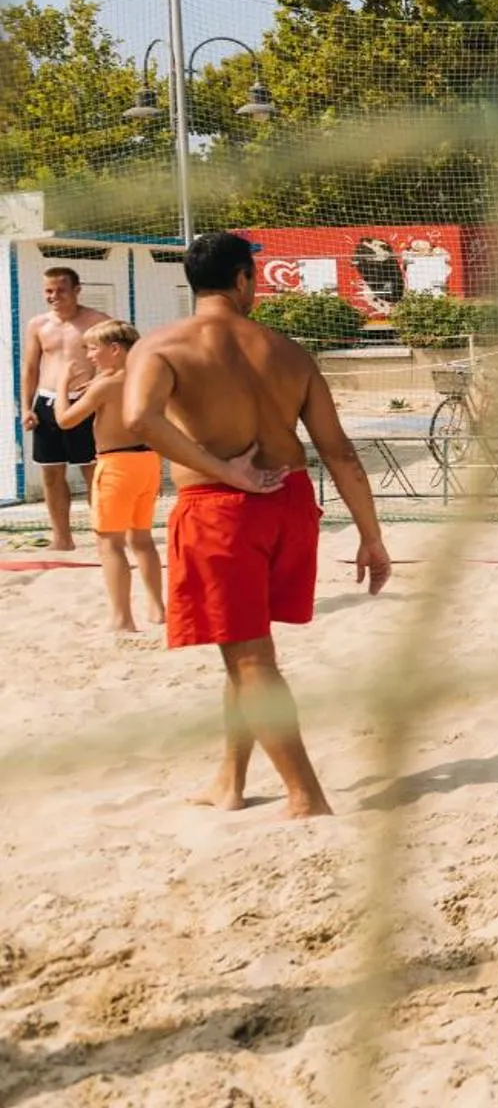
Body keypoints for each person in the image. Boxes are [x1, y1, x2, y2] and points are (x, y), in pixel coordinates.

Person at [124, 231, 393, 819]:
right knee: (242, 651)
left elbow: (139, 418)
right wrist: (372, 537)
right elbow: (340, 453)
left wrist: (224, 469)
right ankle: (231, 779)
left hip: (222, 508)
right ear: (244, 279)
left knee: (250, 660)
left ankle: (306, 796)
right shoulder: (289, 352)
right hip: (292, 505)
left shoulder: (162, 345)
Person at [53, 321, 164, 634]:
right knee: (142, 540)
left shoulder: (105, 385)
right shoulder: (146, 377)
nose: (88, 355)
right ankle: (158, 609)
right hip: (148, 462)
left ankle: (122, 618)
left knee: (110, 544)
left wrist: (62, 385)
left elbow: (65, 420)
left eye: (93, 348)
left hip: (116, 465)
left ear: (115, 350)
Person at [20, 267, 112, 551]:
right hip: (47, 402)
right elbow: (31, 367)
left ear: (76, 290)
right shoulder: (38, 324)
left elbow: (119, 358)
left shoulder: (98, 322)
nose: (54, 296)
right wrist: (26, 407)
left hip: (84, 402)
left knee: (93, 471)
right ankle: (62, 538)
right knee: (51, 472)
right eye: (48, 290)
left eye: (60, 290)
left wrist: (98, 382)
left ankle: (104, 536)